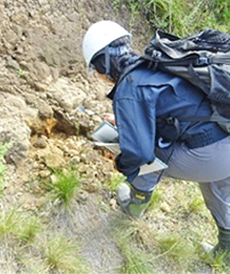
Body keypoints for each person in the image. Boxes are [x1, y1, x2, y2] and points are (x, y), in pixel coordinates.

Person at [82, 20, 230, 258]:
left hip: (210, 154)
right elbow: (174, 111)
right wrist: (126, 119)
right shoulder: (156, 63)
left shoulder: (129, 87)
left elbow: (140, 154)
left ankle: (135, 204)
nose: (98, 76)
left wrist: (120, 162)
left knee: (117, 141)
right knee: (219, 184)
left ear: (103, 64)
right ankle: (226, 250)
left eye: (96, 70)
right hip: (226, 136)